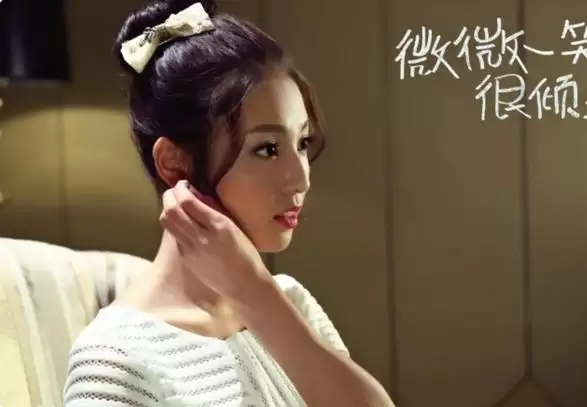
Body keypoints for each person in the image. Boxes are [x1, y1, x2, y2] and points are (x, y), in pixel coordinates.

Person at [61, 0, 395, 406]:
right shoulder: (113, 362)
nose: (301, 178)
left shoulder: (287, 302)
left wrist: (253, 292)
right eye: (268, 149)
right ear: (173, 163)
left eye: (302, 142)